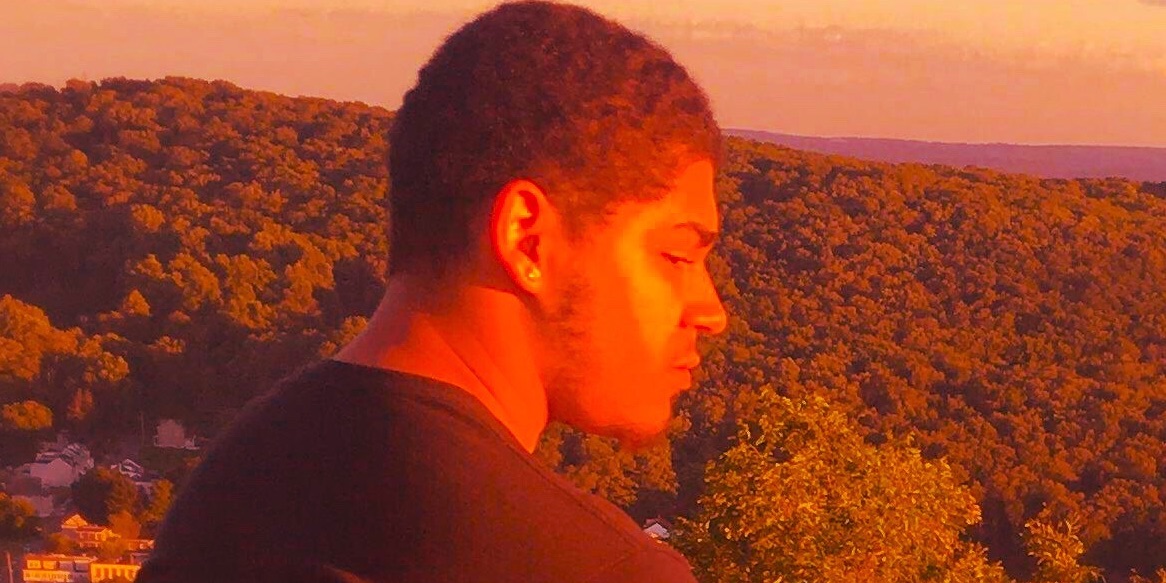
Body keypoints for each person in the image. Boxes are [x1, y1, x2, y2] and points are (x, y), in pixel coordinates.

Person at [136, 1, 727, 581]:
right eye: (676, 256)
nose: (711, 311)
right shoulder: (600, 568)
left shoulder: (227, 496)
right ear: (528, 240)